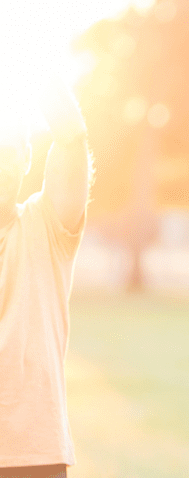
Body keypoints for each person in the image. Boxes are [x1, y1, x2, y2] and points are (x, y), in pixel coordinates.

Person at [0, 81, 91, 478]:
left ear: (26, 160)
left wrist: (35, 69)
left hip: (34, 456)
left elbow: (71, 138)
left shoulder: (48, 225)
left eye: (7, 150)